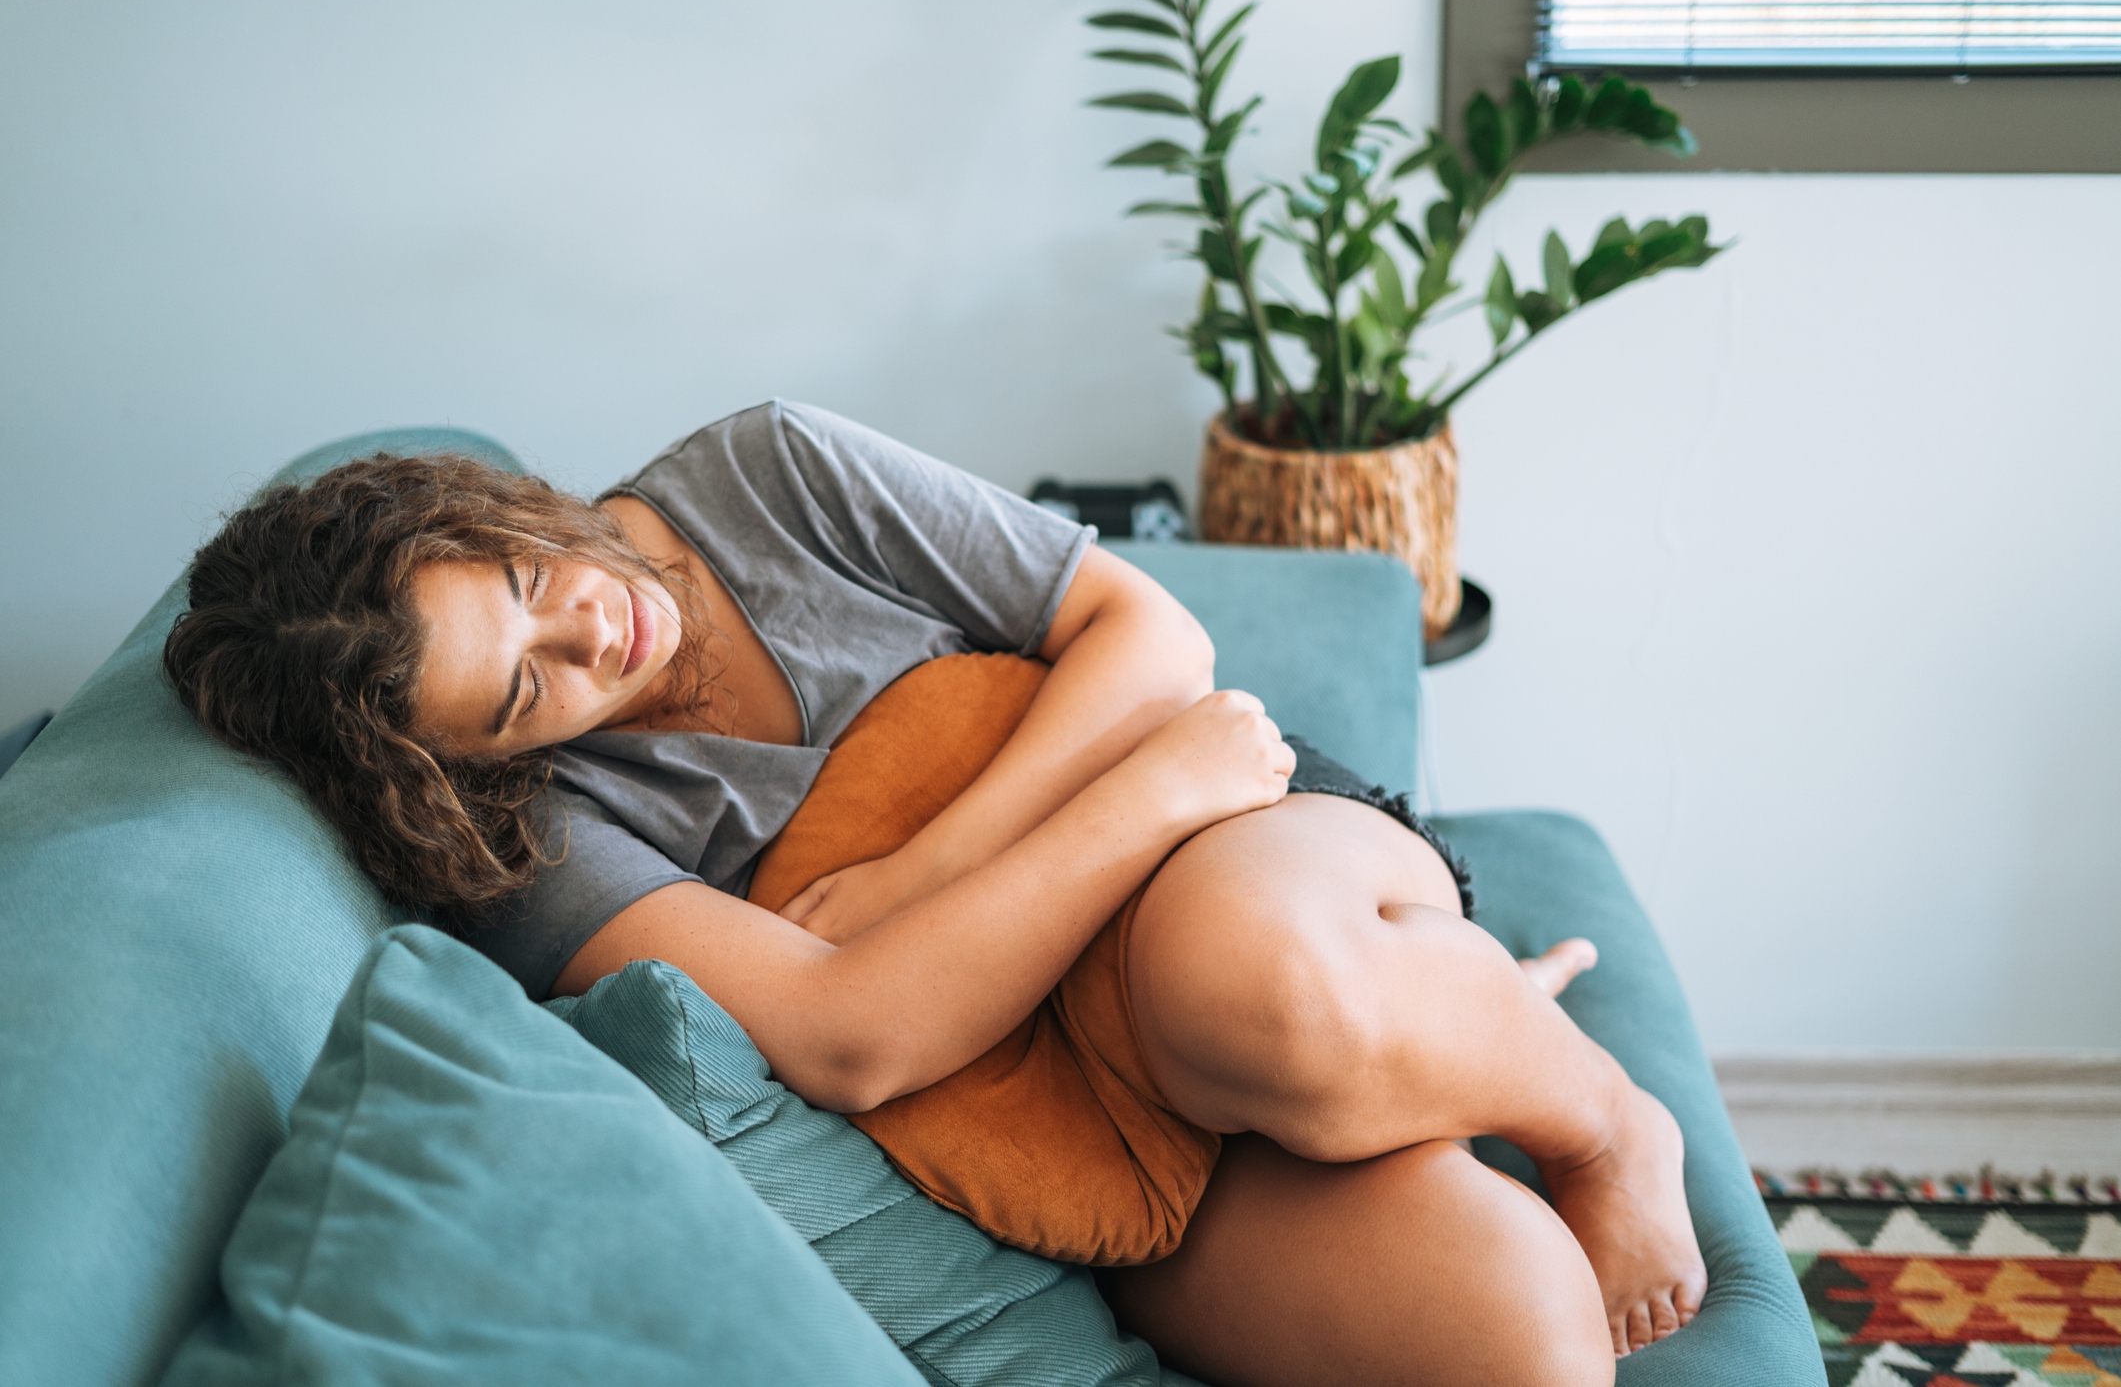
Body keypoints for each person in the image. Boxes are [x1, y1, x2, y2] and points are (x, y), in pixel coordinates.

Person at [164, 401, 1704, 1386]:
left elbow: (1148, 639)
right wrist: (1122, 788)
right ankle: (1438, 1029)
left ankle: (1596, 1112)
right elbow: (853, 1041)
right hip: (1059, 1106)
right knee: (1514, 1338)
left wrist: (948, 862)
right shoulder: (536, 848)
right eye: (520, 694)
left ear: (473, 507)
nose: (589, 634)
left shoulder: (757, 475)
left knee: (1254, 983)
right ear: (471, 770)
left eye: (516, 581)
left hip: (1237, 843)